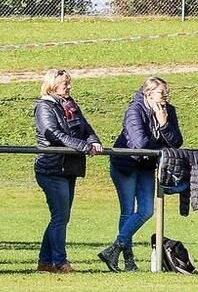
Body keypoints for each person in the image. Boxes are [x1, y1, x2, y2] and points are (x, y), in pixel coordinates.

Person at [102, 76, 184, 272]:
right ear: (148, 94)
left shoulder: (168, 111)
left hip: (147, 166)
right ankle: (129, 261)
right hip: (126, 164)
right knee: (128, 211)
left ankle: (113, 249)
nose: (166, 96)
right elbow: (141, 144)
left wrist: (164, 124)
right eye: (161, 92)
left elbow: (177, 142)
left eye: (167, 92)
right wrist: (162, 147)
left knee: (146, 210)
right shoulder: (134, 111)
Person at [31, 68, 103, 273]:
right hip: (52, 167)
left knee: (59, 217)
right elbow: (52, 133)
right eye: (65, 83)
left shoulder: (70, 104)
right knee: (61, 217)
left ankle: (45, 262)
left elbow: (85, 127)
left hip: (69, 167)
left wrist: (94, 141)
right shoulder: (45, 107)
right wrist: (82, 146)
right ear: (53, 85)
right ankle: (60, 262)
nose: (69, 87)